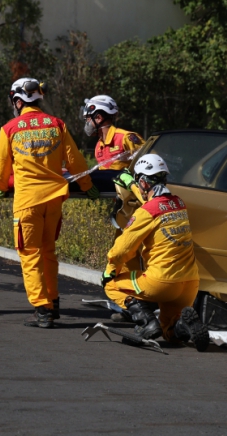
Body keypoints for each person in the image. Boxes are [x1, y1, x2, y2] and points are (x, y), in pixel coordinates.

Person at [0, 77, 99, 328]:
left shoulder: (10, 129)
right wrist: (88, 187)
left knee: (30, 254)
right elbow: (75, 161)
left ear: (18, 101)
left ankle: (41, 309)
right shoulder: (57, 124)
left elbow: (1, 169)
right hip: (54, 200)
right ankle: (53, 302)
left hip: (28, 200)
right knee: (48, 252)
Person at [101, 154, 209, 351]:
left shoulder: (147, 212)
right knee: (168, 331)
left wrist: (110, 269)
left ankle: (145, 322)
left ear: (143, 182)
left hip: (161, 283)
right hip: (189, 284)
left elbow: (122, 250)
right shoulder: (179, 204)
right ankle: (182, 327)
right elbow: (154, 200)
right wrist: (132, 184)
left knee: (111, 285)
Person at [81, 95, 145, 320]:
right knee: (122, 255)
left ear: (99, 117)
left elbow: (147, 169)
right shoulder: (99, 145)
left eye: (89, 117)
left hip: (139, 212)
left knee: (131, 255)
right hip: (123, 212)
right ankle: (129, 302)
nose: (87, 121)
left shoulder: (127, 138)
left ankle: (137, 303)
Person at [81, 95, 144, 171]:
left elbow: (150, 162)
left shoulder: (125, 138)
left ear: (98, 118)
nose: (87, 123)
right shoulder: (98, 147)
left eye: (88, 118)